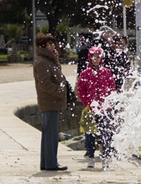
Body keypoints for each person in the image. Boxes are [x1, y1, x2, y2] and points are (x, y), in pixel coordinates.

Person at [33, 32, 70, 171]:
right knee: (51, 135)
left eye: (52, 43)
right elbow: (45, 84)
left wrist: (56, 58)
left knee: (50, 134)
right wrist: (60, 91)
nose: (52, 45)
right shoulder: (42, 62)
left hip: (52, 102)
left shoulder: (48, 59)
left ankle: (47, 162)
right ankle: (51, 163)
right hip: (50, 102)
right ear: (43, 46)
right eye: (49, 44)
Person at [77, 46, 118, 169]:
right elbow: (81, 90)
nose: (96, 59)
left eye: (98, 57)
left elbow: (112, 89)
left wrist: (109, 103)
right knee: (89, 133)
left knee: (106, 133)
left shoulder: (107, 72)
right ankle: (90, 156)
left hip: (105, 108)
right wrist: (87, 103)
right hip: (91, 108)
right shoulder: (85, 73)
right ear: (90, 58)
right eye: (93, 57)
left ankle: (106, 157)